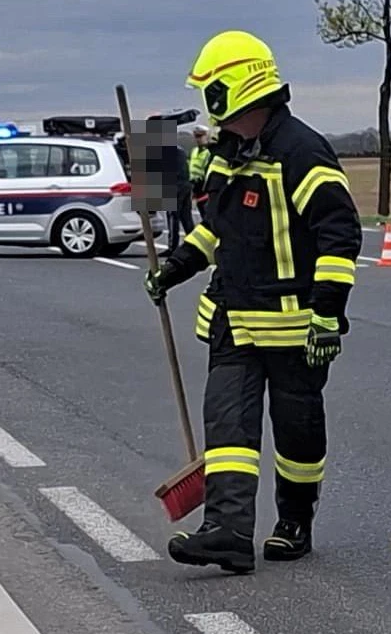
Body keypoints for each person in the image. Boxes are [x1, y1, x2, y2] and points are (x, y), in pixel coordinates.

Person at [147, 30, 361, 572]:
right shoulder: (226, 154)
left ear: (237, 86)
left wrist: (328, 316)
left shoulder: (301, 151)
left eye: (211, 89)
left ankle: (294, 520)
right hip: (232, 323)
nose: (207, 104)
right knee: (228, 430)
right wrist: (176, 268)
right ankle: (227, 531)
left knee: (298, 436)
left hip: (295, 331)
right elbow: (218, 230)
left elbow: (339, 235)